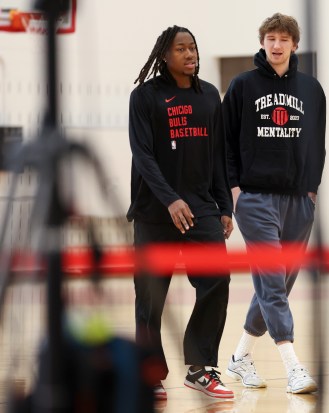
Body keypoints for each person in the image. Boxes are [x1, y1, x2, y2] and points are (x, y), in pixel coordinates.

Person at [128, 25, 234, 401]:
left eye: (193, 48)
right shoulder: (145, 97)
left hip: (202, 208)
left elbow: (218, 156)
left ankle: (201, 367)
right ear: (165, 55)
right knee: (150, 298)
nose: (190, 54)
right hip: (155, 211)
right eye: (181, 49)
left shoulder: (209, 97)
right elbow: (143, 156)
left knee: (217, 280)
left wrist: (224, 204)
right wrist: (170, 199)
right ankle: (150, 374)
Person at [222, 13, 326, 394]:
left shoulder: (312, 90)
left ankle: (240, 357)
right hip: (255, 197)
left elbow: (318, 145)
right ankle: (293, 365)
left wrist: (311, 192)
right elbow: (226, 144)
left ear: (295, 44)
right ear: (262, 42)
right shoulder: (242, 86)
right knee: (272, 281)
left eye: (284, 38)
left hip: (299, 199)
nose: (277, 45)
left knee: (277, 282)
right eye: (270, 38)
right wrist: (235, 192)